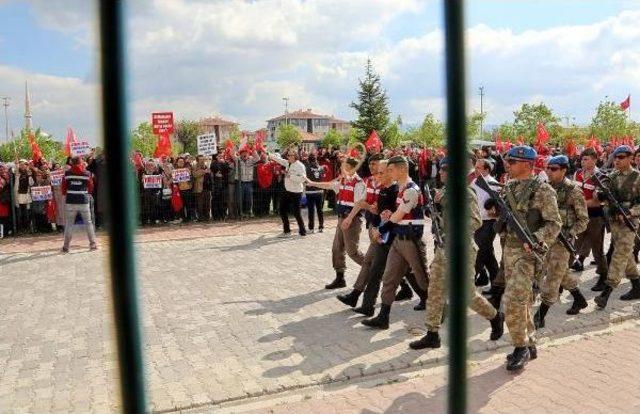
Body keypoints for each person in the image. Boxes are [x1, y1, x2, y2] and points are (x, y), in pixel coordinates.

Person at [409, 157, 504, 349]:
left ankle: (495, 316)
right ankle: (432, 334)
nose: (441, 173)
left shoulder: (465, 193)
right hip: (443, 249)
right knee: (435, 291)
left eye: (445, 170)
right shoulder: (445, 191)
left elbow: (475, 222)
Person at [496, 145, 561, 371]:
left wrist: (536, 239)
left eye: (512, 162)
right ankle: (530, 343)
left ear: (527, 165)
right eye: (508, 161)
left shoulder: (543, 191)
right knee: (522, 300)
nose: (508, 165)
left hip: (529, 253)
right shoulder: (509, 187)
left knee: (514, 299)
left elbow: (554, 224)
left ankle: (520, 347)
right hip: (509, 251)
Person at [361, 155, 429, 329]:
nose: (388, 173)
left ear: (402, 169)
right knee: (389, 278)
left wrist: (380, 230)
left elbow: (399, 216)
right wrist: (386, 216)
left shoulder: (411, 190)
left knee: (422, 278)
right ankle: (383, 317)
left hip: (411, 241)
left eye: (391, 170)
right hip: (398, 239)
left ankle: (439, 308)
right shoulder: (401, 189)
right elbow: (396, 214)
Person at [534, 155, 589, 329]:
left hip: (562, 241)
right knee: (560, 272)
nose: (549, 171)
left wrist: (570, 232)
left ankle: (540, 314)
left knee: (553, 276)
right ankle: (579, 299)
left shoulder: (573, 191)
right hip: (547, 239)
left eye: (554, 168)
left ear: (564, 170)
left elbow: (583, 220)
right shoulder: (546, 189)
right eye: (548, 168)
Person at [306, 154, 366, 289]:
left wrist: (349, 218)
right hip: (342, 219)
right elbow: (329, 185)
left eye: (343, 167)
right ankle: (340, 278)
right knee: (337, 249)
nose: (340, 169)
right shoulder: (343, 181)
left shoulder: (358, 183)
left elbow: (359, 204)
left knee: (353, 252)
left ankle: (374, 268)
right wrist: (312, 183)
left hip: (351, 220)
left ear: (351, 168)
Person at [594, 145, 640, 309]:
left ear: (630, 158)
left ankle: (606, 292)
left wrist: (630, 212)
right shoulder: (610, 176)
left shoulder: (637, 177)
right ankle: (637, 285)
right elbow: (599, 195)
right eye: (615, 157)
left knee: (619, 254)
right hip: (614, 222)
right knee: (626, 255)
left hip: (629, 223)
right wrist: (600, 194)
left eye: (621, 157)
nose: (617, 160)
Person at [572, 148, 608, 290]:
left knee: (597, 250)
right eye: (582, 159)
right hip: (579, 217)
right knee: (573, 246)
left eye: (586, 159)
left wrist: (579, 204)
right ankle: (570, 270)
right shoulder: (577, 174)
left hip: (595, 217)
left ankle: (603, 277)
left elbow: (599, 201)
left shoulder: (600, 176)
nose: (583, 162)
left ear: (594, 159)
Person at [470, 158, 501, 290]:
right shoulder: (474, 182)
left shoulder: (493, 183)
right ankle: (497, 285)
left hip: (489, 223)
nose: (475, 170)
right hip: (478, 223)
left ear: (486, 170)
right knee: (488, 256)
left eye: (478, 168)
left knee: (479, 253)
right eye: (475, 167)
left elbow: (497, 204)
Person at [61, 157, 98, 252]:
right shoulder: (87, 173)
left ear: (71, 162)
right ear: (80, 162)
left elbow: (63, 188)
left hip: (71, 200)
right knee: (88, 223)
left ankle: (66, 246)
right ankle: (93, 244)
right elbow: (91, 187)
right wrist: (86, 193)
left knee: (69, 224)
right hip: (83, 200)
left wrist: (67, 193)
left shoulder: (67, 173)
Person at [269, 148, 307, 237]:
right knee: (282, 210)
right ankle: (287, 231)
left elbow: (302, 179)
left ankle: (302, 231)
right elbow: (279, 160)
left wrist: (289, 176)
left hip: (296, 192)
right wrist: (269, 154)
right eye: (288, 155)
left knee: (297, 213)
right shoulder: (287, 163)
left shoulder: (300, 166)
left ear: (295, 156)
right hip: (287, 190)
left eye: (290, 155)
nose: (288, 157)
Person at [304, 154, 326, 233]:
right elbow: (323, 176)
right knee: (320, 210)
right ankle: (321, 227)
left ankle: (311, 228)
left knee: (311, 210)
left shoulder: (307, 168)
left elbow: (304, 179)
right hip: (320, 191)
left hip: (310, 191)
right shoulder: (321, 168)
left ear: (309, 160)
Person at [193, 155, 212, 221]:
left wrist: (209, 172)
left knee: (207, 204)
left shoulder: (206, 166)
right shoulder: (195, 166)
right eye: (200, 159)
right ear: (197, 160)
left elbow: (210, 174)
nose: (202, 161)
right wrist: (204, 171)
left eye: (203, 159)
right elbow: (194, 174)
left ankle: (207, 217)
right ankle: (200, 217)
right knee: (200, 204)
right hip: (199, 188)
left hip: (207, 187)